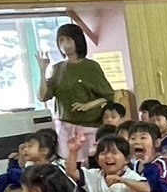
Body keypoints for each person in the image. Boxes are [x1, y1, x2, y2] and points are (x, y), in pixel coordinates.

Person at [36, 22, 116, 159]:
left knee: (89, 163)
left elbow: (108, 95)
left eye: (68, 39)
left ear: (77, 41)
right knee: (69, 164)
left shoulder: (91, 66)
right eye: (61, 40)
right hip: (64, 126)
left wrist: (88, 105)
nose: (64, 44)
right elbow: (43, 96)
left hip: (89, 126)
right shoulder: (57, 68)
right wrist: (43, 71)